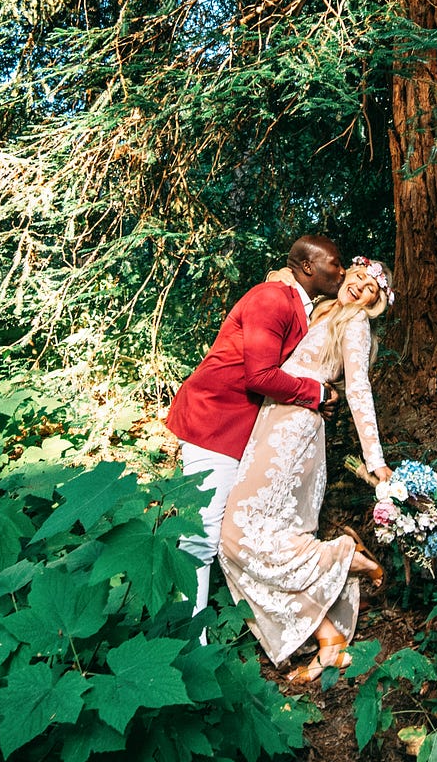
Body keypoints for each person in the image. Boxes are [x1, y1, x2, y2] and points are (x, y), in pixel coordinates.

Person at [220, 255, 393, 684]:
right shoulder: (321, 307)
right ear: (347, 275)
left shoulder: (354, 325)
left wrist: (377, 461)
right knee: (258, 541)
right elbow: (285, 280)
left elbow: (357, 389)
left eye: (372, 291)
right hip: (270, 423)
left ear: (373, 304)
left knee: (236, 537)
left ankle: (342, 556)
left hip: (293, 433)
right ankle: (329, 640)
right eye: (359, 279)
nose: (361, 289)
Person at [165, 236, 346, 616]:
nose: (342, 271)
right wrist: (313, 393)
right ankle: (187, 639)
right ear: (309, 267)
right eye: (336, 263)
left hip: (244, 430)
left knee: (232, 532)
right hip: (214, 420)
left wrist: (321, 397)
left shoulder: (302, 307)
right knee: (201, 534)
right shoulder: (272, 299)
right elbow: (260, 375)